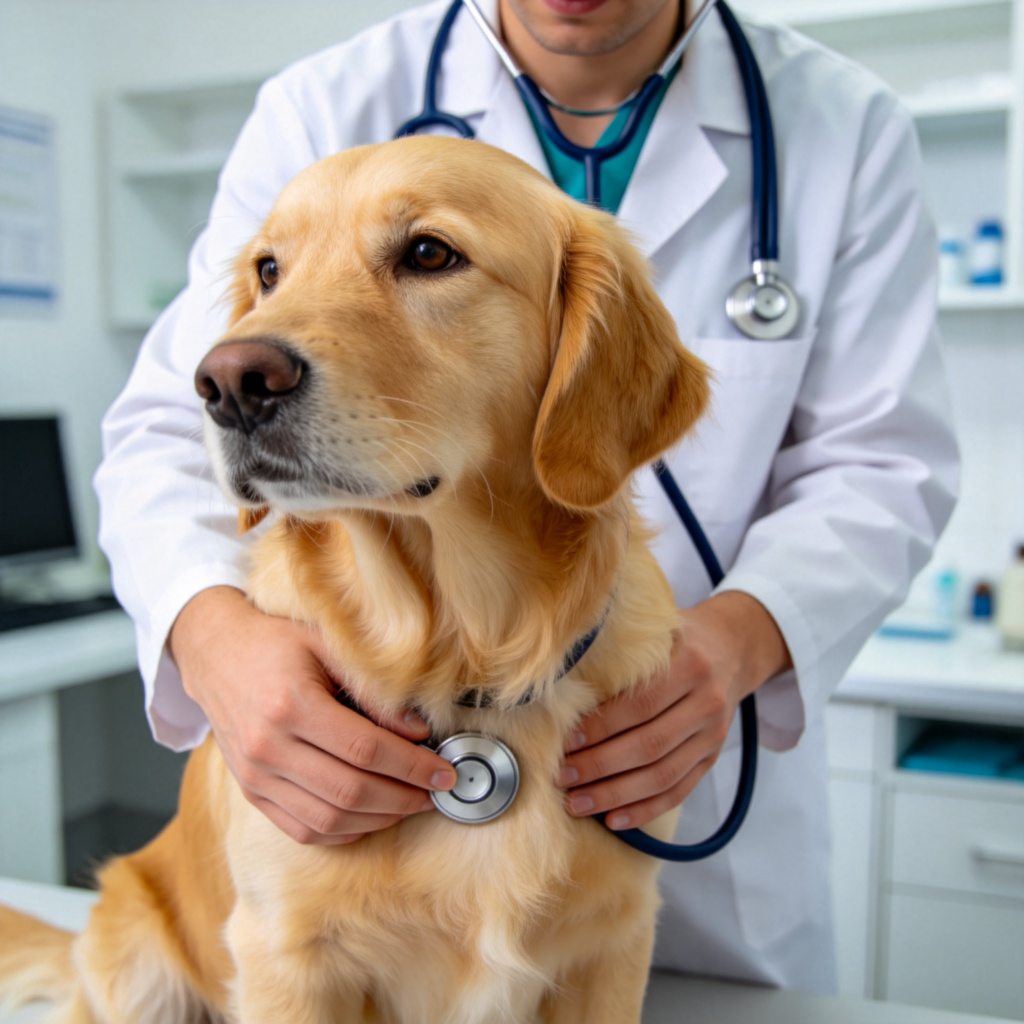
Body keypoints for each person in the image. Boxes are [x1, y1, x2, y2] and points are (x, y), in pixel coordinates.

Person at [94, 0, 959, 994]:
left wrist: (733, 644)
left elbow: (881, 458)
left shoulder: (841, 124)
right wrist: (216, 645)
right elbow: (169, 418)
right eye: (273, 272)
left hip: (670, 801)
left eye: (425, 253)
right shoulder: (321, 103)